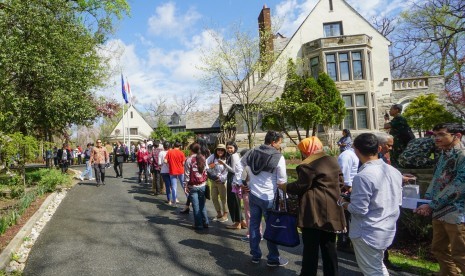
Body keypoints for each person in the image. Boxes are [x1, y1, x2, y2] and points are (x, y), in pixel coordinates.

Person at [278, 137, 346, 276]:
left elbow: (300, 186)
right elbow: (341, 182)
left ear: (306, 150)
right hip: (332, 209)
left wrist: (284, 186)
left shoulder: (308, 165)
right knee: (329, 246)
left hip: (313, 211)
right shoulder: (332, 160)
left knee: (310, 248)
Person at [339, 133, 402, 275]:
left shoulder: (363, 176)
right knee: (377, 266)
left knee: (372, 271)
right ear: (379, 148)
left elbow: (359, 209)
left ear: (356, 150)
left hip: (368, 232)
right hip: (387, 228)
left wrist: (343, 202)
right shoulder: (394, 172)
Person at [415, 123, 465, 276]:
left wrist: (432, 204)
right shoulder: (444, 154)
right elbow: (437, 179)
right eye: (435, 135)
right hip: (439, 211)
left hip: (457, 213)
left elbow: (459, 185)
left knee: (460, 254)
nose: (436, 138)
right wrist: (426, 202)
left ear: (457, 136)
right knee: (439, 248)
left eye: (441, 134)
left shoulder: (462, 155)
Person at [234, 130, 288, 267]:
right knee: (271, 228)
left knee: (253, 225)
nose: (279, 146)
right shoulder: (278, 157)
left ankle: (255, 255)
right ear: (273, 142)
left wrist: (241, 182)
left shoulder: (252, 152)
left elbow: (239, 165)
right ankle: (273, 258)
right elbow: (282, 181)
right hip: (269, 197)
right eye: (279, 143)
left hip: (253, 195)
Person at [336, 145, 359, 253]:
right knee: (345, 217)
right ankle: (343, 243)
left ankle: (346, 242)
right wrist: (349, 189)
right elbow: (344, 175)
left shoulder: (353, 155)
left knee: (349, 217)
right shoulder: (347, 155)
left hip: (352, 190)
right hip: (347, 191)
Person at [180, 138, 211, 214]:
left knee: (194, 194)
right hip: (203, 176)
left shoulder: (198, 153)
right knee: (199, 196)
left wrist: (185, 184)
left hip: (195, 176)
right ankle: (201, 215)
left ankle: (190, 209)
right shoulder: (207, 151)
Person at [183, 143, 209, 230]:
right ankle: (205, 222)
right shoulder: (203, 158)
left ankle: (198, 224)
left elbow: (186, 175)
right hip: (202, 185)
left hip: (193, 186)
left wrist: (185, 185)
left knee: (195, 205)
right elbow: (206, 171)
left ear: (191, 150)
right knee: (202, 204)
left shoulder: (189, 160)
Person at [223, 141, 246, 229]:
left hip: (233, 179)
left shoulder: (233, 156)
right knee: (235, 200)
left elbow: (234, 170)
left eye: (231, 148)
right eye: (228, 148)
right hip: (233, 178)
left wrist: (224, 164)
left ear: (235, 147)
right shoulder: (233, 155)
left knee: (233, 201)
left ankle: (237, 223)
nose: (229, 149)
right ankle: (242, 221)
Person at [206, 144, 229, 222]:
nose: (220, 151)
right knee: (214, 197)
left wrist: (222, 178)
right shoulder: (213, 156)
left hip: (222, 181)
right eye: (218, 149)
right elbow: (206, 162)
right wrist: (211, 166)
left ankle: (225, 215)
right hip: (214, 180)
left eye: (222, 150)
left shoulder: (227, 158)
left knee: (223, 198)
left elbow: (228, 170)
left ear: (224, 151)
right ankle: (219, 213)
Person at [165, 141, 186, 207]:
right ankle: (189, 200)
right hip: (180, 171)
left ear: (174, 146)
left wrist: (169, 166)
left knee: (174, 187)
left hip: (172, 171)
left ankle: (174, 202)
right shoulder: (181, 153)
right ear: (180, 146)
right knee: (184, 186)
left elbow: (165, 161)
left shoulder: (169, 152)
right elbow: (183, 163)